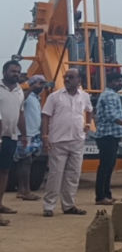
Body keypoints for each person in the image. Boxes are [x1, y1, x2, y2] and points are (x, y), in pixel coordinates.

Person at [41, 68, 93, 217]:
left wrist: (88, 125)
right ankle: (49, 206)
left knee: (73, 174)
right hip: (58, 140)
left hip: (77, 140)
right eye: (66, 77)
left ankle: (69, 206)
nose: (67, 79)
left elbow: (90, 110)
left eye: (71, 77)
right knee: (55, 175)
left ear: (79, 81)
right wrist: (45, 135)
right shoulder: (55, 97)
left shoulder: (84, 96)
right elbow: (46, 116)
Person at [94, 72, 122, 205]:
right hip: (107, 134)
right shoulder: (109, 95)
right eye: (116, 81)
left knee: (109, 165)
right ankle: (100, 196)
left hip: (112, 134)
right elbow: (111, 115)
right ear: (109, 82)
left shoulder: (112, 95)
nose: (119, 83)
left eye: (120, 81)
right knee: (105, 166)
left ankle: (106, 194)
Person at [0, 61, 28, 226]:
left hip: (11, 137)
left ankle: (0, 203)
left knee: (4, 171)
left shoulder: (19, 92)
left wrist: (24, 134)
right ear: (4, 72)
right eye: (13, 71)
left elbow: (21, 114)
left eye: (18, 71)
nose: (16, 74)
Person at [14, 74, 46, 201]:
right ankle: (26, 191)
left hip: (34, 133)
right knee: (25, 162)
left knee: (26, 162)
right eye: (40, 83)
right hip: (26, 134)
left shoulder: (36, 98)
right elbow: (20, 101)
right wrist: (31, 88)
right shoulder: (26, 95)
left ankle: (22, 190)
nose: (42, 86)